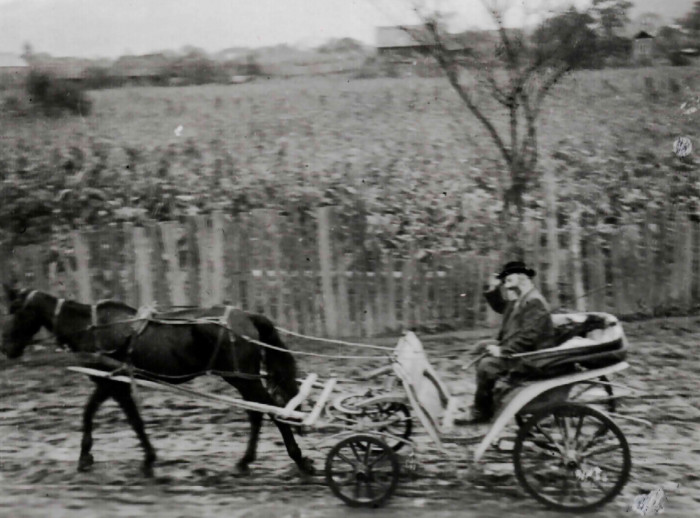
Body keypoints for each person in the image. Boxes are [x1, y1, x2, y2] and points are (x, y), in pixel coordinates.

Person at [466, 261, 554, 424]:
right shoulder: (521, 299)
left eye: (508, 276)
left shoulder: (534, 301)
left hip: (533, 358)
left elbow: (529, 337)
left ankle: (483, 413)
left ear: (523, 278)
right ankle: (488, 402)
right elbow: (502, 308)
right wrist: (493, 289)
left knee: (487, 365)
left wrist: (503, 351)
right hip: (522, 351)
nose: (505, 280)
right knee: (481, 348)